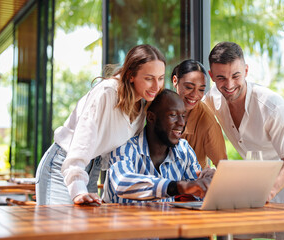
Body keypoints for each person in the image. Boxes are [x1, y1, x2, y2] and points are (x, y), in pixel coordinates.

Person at [203, 41, 284, 239]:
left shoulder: (272, 106)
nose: (229, 85)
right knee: (235, 231)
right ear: (211, 76)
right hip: (256, 181)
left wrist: (269, 192)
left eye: (236, 76)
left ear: (246, 71)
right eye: (221, 77)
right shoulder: (212, 99)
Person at [36, 44, 166, 205]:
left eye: (160, 78)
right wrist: (77, 188)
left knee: (83, 228)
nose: (156, 86)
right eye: (149, 78)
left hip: (92, 169)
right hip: (65, 166)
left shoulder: (143, 106)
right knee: (55, 229)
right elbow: (81, 143)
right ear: (131, 75)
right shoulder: (107, 93)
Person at [103, 89, 215, 203]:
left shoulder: (184, 150)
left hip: (164, 220)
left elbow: (199, 193)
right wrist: (177, 186)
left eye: (183, 115)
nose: (181, 122)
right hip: (124, 220)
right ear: (151, 117)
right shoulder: (125, 148)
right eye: (173, 115)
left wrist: (210, 182)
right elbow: (122, 182)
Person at [171, 59, 227, 169]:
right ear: (175, 81)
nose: (195, 95)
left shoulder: (207, 122)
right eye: (189, 87)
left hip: (193, 183)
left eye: (201, 90)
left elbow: (224, 167)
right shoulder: (160, 107)